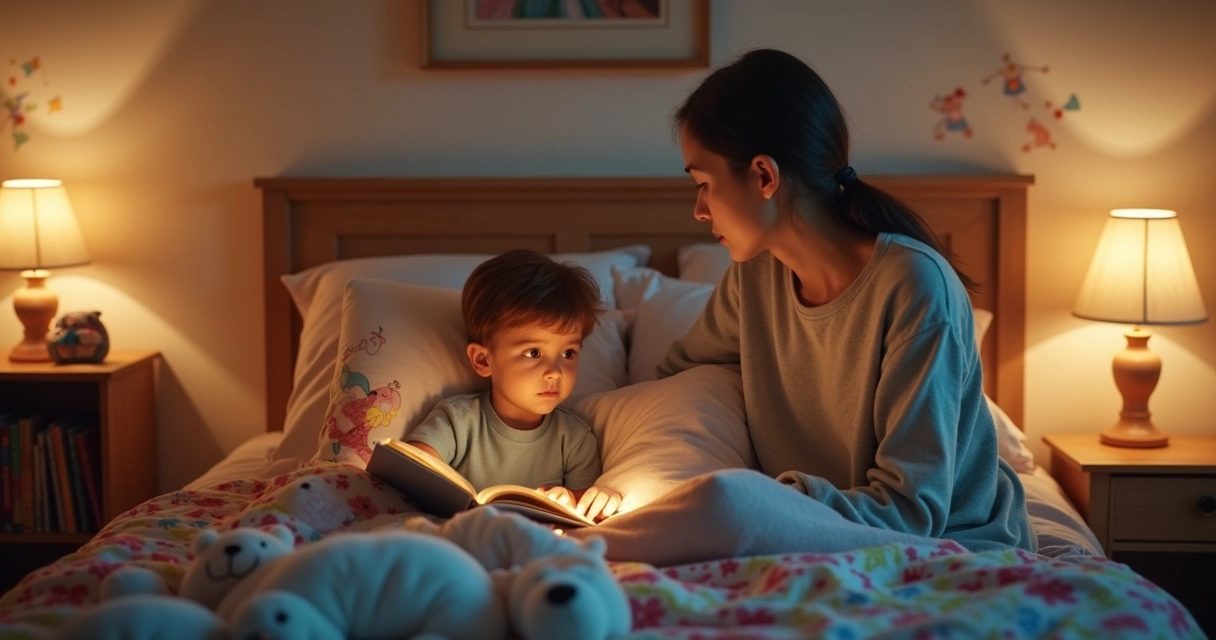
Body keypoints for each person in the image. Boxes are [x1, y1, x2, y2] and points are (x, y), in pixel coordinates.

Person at [660, 48, 1034, 551]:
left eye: (704, 184)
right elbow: (676, 380)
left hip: (955, 546)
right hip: (805, 537)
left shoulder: (915, 289)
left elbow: (912, 509)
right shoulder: (753, 278)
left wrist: (762, 500)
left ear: (765, 176)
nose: (699, 210)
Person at [405, 250, 622, 520]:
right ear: (483, 360)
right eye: (533, 353)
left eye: (568, 354)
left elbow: (584, 514)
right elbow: (411, 469)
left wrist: (575, 500)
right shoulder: (457, 420)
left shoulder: (575, 440)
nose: (554, 372)